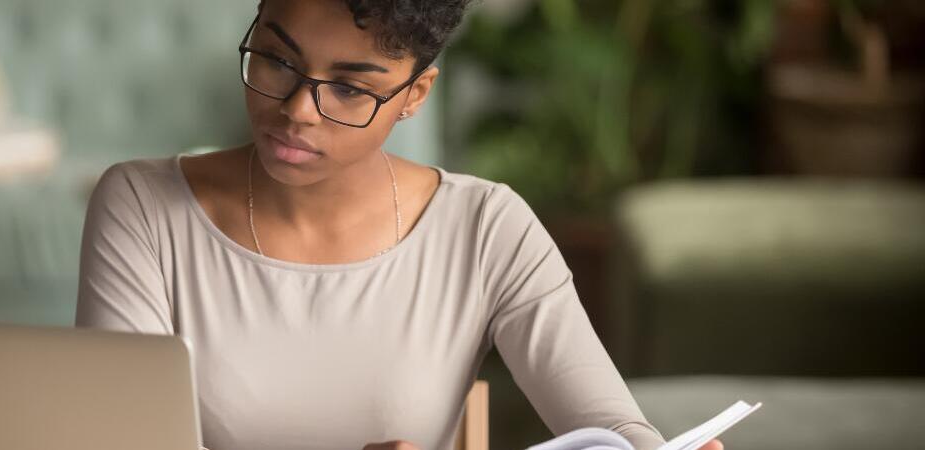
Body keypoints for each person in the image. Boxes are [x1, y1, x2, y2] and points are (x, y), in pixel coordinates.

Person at [75, 1, 724, 449]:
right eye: (276, 61)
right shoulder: (142, 206)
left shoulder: (485, 228)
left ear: (414, 95)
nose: (300, 110)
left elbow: (607, 423)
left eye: (351, 89)